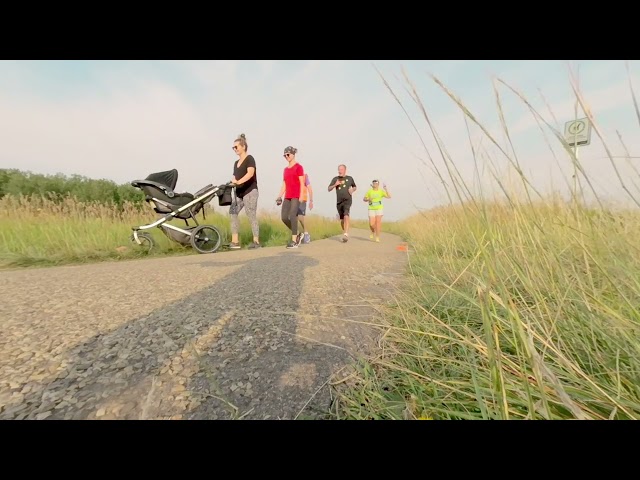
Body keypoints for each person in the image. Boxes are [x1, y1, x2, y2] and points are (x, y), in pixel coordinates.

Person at [228, 133, 260, 249]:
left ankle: (256, 241)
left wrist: (239, 181)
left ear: (243, 147)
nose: (234, 149)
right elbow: (234, 178)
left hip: (250, 191)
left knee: (250, 214)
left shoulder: (249, 159)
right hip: (239, 193)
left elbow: (250, 174)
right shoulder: (236, 163)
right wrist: (231, 183)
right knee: (232, 212)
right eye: (233, 147)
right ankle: (235, 242)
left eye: (236, 147)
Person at [276, 146, 305, 249]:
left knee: (293, 215)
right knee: (284, 217)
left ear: (293, 154)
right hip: (287, 196)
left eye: (288, 154)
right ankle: (297, 233)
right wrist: (279, 195)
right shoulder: (285, 170)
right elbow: (284, 184)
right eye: (285, 155)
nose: (286, 157)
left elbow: (302, 183)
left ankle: (294, 241)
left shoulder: (299, 167)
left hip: (296, 195)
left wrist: (302, 195)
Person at [328, 164, 357, 242]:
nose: (339, 171)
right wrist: (335, 184)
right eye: (339, 169)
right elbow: (329, 188)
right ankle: (345, 231)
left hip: (347, 200)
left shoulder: (350, 178)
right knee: (342, 220)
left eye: (341, 169)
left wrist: (352, 190)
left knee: (346, 215)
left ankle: (346, 234)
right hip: (339, 202)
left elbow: (354, 186)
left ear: (345, 170)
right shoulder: (335, 179)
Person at [297, 172, 313, 244]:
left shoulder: (304, 176)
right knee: (291, 217)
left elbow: (309, 188)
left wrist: (311, 201)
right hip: (293, 199)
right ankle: (297, 235)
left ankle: (306, 234)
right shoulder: (291, 175)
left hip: (302, 199)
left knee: (300, 217)